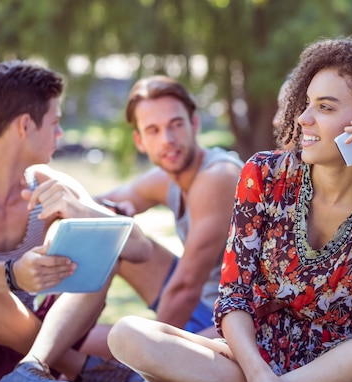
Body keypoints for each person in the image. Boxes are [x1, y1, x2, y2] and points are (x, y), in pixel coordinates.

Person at [107, 36, 352, 382]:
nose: (303, 119)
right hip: (252, 354)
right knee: (127, 335)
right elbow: (234, 297)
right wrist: (259, 374)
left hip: (338, 363)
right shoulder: (264, 175)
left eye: (325, 107)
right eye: (307, 104)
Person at [0, 60, 153, 382]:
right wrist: (12, 274)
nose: (60, 134)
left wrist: (79, 208)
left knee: (105, 244)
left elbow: (139, 248)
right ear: (24, 126)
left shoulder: (49, 184)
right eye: (55, 122)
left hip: (44, 345)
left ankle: (33, 365)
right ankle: (72, 366)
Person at [90, 75, 244, 342]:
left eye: (176, 125)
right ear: (140, 141)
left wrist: (152, 355)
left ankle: (132, 369)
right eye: (154, 130)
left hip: (233, 318)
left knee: (118, 346)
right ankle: (51, 356)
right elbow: (94, 205)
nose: (167, 139)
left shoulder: (218, 176)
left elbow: (186, 287)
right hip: (200, 309)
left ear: (194, 124)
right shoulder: (165, 179)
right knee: (114, 234)